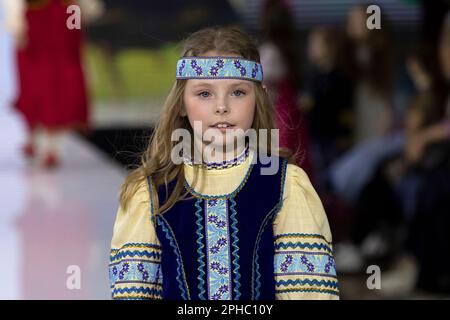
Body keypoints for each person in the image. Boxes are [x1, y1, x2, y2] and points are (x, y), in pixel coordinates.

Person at [108, 26, 339, 300]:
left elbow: (308, 294)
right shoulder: (149, 192)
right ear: (181, 103)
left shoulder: (285, 185)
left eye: (238, 92)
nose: (222, 107)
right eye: (205, 93)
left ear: (258, 98)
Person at [15, 0, 90, 168]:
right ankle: (44, 144)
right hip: (44, 48)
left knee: (52, 94)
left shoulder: (70, 8)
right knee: (42, 93)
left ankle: (50, 146)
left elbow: (75, 34)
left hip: (55, 50)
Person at [259, 0, 312, 176]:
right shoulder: (291, 52)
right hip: (292, 117)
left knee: (276, 168)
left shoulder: (269, 52)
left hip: (276, 118)